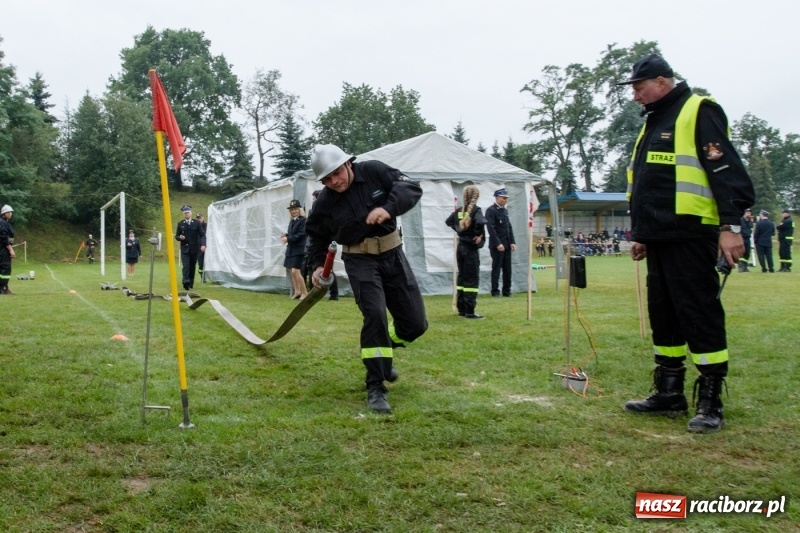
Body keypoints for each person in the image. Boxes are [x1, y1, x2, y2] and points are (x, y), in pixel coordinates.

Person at [618, 54, 755, 433]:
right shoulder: (654, 121)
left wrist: (730, 226)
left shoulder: (699, 111)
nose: (635, 96)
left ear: (662, 82)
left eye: (638, 87)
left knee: (698, 312)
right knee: (663, 313)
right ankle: (669, 391)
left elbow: (725, 170)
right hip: (659, 237)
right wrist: (643, 234)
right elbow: (651, 182)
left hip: (692, 233)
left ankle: (710, 399)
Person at [305, 144, 428, 413]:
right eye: (327, 179)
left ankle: (386, 349)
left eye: (336, 173)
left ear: (348, 163)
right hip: (359, 260)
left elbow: (410, 188)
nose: (334, 182)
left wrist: (389, 207)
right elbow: (316, 236)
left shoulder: (374, 170)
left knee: (416, 324)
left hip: (393, 254)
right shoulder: (325, 202)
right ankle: (375, 387)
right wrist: (315, 266)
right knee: (374, 315)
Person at [445, 185, 487, 319]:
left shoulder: (458, 211)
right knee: (471, 279)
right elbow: (481, 221)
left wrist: (459, 230)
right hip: (470, 249)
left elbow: (448, 221)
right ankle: (470, 311)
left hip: (461, 247)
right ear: (476, 197)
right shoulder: (476, 210)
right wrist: (478, 234)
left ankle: (461, 309)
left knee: (462, 277)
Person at [307, 189, 338, 300]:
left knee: (328, 270)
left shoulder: (324, 205)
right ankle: (313, 292)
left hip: (326, 246)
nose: (314, 200)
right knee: (316, 267)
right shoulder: (314, 210)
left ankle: (334, 294)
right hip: (316, 246)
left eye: (315, 198)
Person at [485, 188, 516, 297]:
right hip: (497, 245)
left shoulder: (504, 210)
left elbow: (509, 227)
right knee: (497, 268)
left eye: (506, 198)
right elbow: (491, 229)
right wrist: (498, 243)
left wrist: (512, 241)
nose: (505, 200)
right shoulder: (491, 210)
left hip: (507, 244)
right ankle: (495, 291)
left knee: (508, 269)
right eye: (503, 198)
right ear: (497, 198)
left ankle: (507, 291)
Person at [281, 199, 308, 300]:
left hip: (299, 249)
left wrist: (288, 238)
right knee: (291, 270)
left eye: (296, 209)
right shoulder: (292, 221)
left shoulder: (303, 220)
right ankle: (297, 291)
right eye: (292, 209)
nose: (294, 211)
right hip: (291, 248)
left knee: (296, 271)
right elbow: (293, 235)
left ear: (299, 209)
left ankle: (304, 292)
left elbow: (301, 234)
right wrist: (286, 235)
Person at [175, 205, 206, 290]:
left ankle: (190, 282)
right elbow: (176, 236)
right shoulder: (180, 224)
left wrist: (203, 244)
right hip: (185, 248)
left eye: (188, 213)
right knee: (186, 265)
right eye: (185, 213)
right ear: (183, 214)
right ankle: (185, 281)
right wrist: (179, 237)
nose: (186, 214)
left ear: (191, 213)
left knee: (192, 266)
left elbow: (202, 235)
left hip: (194, 248)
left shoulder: (196, 223)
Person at [0, 204, 16, 295]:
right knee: (5, 268)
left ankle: (2, 288)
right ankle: (4, 288)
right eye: (8, 212)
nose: (10, 214)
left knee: (2, 268)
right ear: (4, 214)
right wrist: (10, 250)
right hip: (3, 249)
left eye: (11, 212)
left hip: (3, 248)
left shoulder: (4, 222)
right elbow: (4, 238)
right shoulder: (2, 223)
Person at [195, 213, 207, 282]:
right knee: (201, 264)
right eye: (197, 218)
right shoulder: (195, 227)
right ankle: (203, 277)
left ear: (203, 218)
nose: (199, 219)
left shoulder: (207, 226)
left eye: (200, 218)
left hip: (208, 248)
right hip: (198, 248)